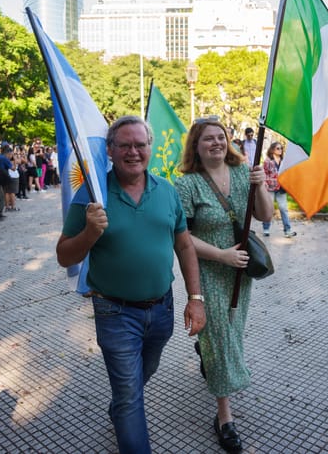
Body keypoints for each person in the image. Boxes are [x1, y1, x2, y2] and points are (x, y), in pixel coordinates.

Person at [56, 116, 206, 454]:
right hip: (114, 311)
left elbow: (184, 245)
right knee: (129, 395)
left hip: (162, 310)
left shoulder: (167, 190)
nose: (133, 152)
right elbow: (64, 256)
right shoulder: (91, 194)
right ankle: (125, 409)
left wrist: (195, 298)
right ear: (110, 150)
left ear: (150, 148)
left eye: (140, 144)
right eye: (124, 145)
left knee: (138, 379)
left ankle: (122, 406)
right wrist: (90, 233)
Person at [175, 118, 273, 453]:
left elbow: (266, 216)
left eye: (221, 137)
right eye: (208, 139)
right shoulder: (187, 184)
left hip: (239, 272)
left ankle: (209, 351)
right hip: (207, 271)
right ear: (196, 146)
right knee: (223, 338)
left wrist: (260, 186)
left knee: (230, 329)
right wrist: (220, 255)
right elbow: (182, 236)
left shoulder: (244, 172)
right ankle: (224, 417)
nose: (216, 143)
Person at [262, 141, 296, 238]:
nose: (280, 150)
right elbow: (265, 173)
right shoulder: (268, 161)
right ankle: (266, 228)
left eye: (281, 148)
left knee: (283, 208)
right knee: (269, 208)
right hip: (270, 187)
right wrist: (266, 183)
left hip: (281, 188)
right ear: (272, 149)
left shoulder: (283, 161)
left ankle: (287, 230)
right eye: (278, 148)